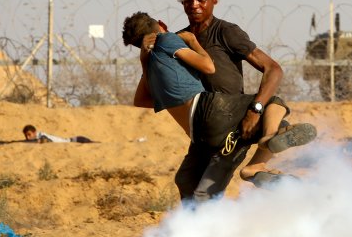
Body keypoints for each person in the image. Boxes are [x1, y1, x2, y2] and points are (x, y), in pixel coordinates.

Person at [123, 11, 316, 203]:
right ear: (161, 24)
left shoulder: (151, 64)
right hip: (208, 109)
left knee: (189, 183)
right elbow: (209, 66)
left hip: (197, 133)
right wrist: (192, 41)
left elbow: (140, 101)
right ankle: (262, 152)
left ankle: (269, 141)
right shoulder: (167, 39)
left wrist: (145, 62)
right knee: (272, 103)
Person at [141, 0, 289, 200]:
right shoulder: (177, 41)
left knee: (205, 194)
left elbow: (273, 69)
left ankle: (265, 149)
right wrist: (148, 57)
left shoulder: (226, 32)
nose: (194, 4)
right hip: (204, 126)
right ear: (182, 2)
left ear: (214, 0)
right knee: (186, 181)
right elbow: (150, 95)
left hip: (234, 124)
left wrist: (255, 109)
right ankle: (201, 232)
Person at [22, 125, 94, 143]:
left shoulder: (41, 135)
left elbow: (44, 140)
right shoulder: (37, 137)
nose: (27, 137)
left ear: (34, 132)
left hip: (77, 140)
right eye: (26, 136)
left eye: (29, 134)